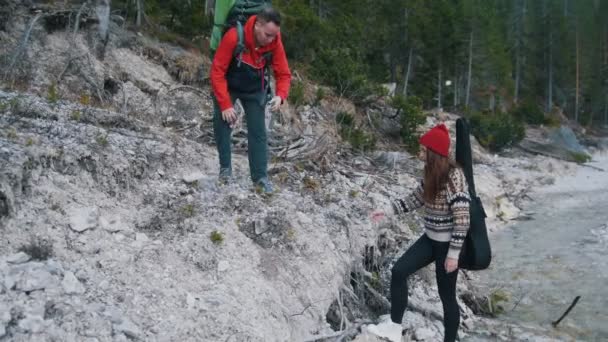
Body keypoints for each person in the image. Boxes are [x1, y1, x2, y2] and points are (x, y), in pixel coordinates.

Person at [367, 124, 471, 342]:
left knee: (447, 297)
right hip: (430, 240)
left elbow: (462, 219)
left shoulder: (455, 176)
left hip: (448, 246)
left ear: (433, 153)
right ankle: (395, 329)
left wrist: (453, 254)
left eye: (423, 150)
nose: (419, 153)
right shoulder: (430, 172)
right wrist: (386, 211)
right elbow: (415, 199)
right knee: (399, 271)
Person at [210, 7, 291, 193]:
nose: (271, 40)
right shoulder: (233, 36)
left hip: (255, 89)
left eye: (274, 35)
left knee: (259, 133)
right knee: (222, 121)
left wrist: (281, 95)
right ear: (257, 25)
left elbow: (284, 73)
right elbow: (217, 71)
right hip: (230, 85)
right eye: (267, 35)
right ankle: (225, 170)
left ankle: (260, 179)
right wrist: (225, 105)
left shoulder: (275, 41)